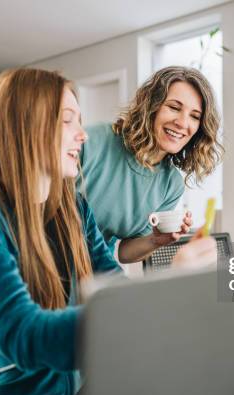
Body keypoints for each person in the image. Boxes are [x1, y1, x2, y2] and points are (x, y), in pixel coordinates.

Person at [0, 68, 216, 395]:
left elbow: (111, 290)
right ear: (26, 125)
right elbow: (24, 335)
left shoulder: (75, 208)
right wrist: (162, 303)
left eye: (79, 121)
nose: (83, 135)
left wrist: (173, 282)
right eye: (68, 121)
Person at [80, 66, 223, 263]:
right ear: (151, 106)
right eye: (174, 107)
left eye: (194, 116)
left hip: (92, 270)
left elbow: (124, 253)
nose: (182, 123)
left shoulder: (171, 185)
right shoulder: (92, 141)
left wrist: (156, 240)